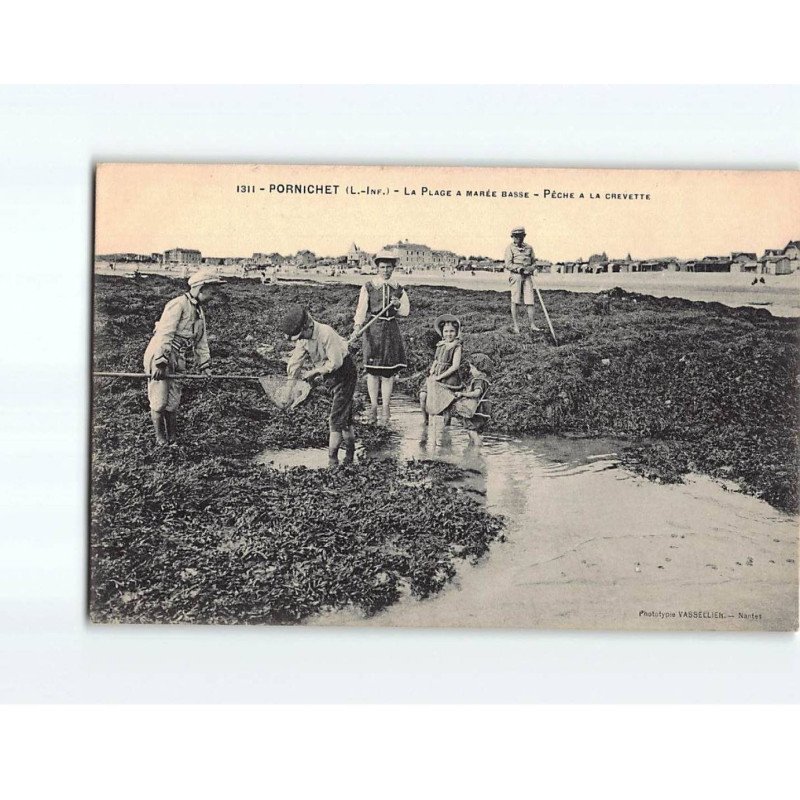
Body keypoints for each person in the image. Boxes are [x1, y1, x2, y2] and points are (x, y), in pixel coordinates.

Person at [142, 268, 224, 446]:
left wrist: (205, 366)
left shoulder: (199, 312)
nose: (213, 295)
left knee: (173, 400)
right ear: (200, 288)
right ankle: (160, 438)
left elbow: (201, 341)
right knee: (159, 399)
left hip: (179, 357)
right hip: (160, 353)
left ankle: (172, 437)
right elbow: (165, 334)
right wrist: (160, 363)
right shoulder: (177, 305)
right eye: (211, 291)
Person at [280, 304, 357, 467]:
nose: (300, 340)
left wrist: (315, 372)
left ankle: (332, 461)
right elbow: (295, 362)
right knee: (345, 420)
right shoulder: (303, 340)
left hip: (344, 373)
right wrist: (289, 389)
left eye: (301, 336)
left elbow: (336, 362)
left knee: (335, 419)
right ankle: (350, 456)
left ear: (308, 326)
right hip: (329, 375)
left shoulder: (326, 333)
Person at [352, 249, 410, 423]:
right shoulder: (369, 286)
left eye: (389, 267)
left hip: (390, 330)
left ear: (393, 268)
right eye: (383, 267)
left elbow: (406, 312)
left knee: (388, 373)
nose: (386, 270)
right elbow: (361, 310)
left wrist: (398, 304)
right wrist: (357, 326)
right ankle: (373, 407)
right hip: (372, 331)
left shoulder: (398, 289)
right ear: (377, 267)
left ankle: (385, 406)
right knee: (372, 372)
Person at [419, 314, 464, 425]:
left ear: (456, 332)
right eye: (446, 331)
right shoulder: (440, 345)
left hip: (448, 377)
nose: (449, 334)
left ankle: (446, 428)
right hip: (436, 374)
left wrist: (440, 377)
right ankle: (425, 421)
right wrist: (432, 370)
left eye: (452, 331)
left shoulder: (457, 346)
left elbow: (455, 366)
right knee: (423, 395)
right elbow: (436, 359)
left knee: (446, 404)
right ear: (442, 333)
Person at [505, 226, 540, 334]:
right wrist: (519, 269)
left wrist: (532, 268)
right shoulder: (510, 248)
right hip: (516, 276)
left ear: (524, 236)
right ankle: (516, 326)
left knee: (530, 301)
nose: (518, 239)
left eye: (520, 236)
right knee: (515, 300)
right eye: (516, 237)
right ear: (513, 237)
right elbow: (507, 264)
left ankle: (532, 325)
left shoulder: (529, 248)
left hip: (528, 276)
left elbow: (534, 262)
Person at [452, 353, 493, 444]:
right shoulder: (485, 380)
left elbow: (477, 393)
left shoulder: (479, 380)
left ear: (480, 369)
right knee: (475, 432)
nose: (470, 371)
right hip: (484, 410)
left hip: (477, 409)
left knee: (472, 431)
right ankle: (473, 451)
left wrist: (463, 394)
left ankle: (475, 452)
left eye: (472, 368)